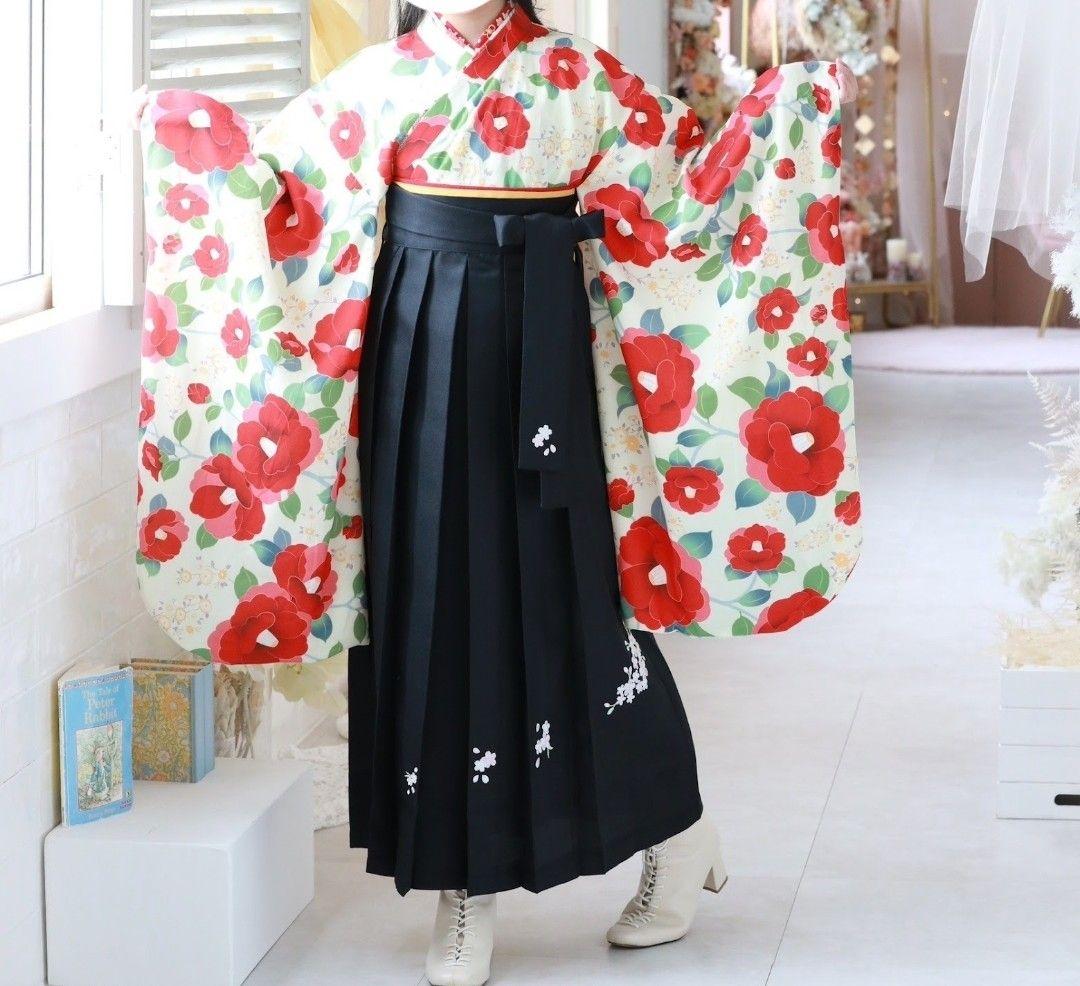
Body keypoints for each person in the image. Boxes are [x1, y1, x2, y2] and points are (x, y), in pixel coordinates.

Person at [133, 2, 859, 983]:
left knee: (578, 603)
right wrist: (180, 132)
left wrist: (789, 115)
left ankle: (678, 830)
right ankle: (461, 889)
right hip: (416, 356)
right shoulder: (381, 80)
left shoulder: (578, 76)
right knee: (430, 600)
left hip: (550, 353)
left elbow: (692, 193)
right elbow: (277, 196)